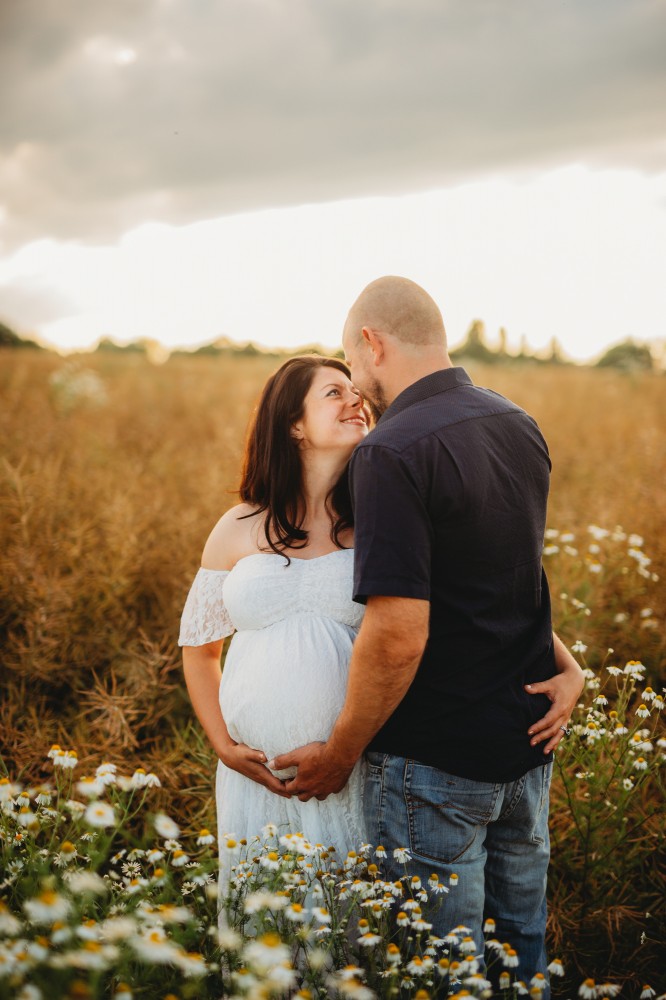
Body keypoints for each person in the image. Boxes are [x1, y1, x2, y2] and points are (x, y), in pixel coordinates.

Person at [269, 277, 585, 989]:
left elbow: (398, 631)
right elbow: (505, 576)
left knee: (441, 974)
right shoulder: (517, 422)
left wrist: (341, 753)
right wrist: (570, 666)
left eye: (352, 365)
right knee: (520, 956)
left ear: (372, 345)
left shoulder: (393, 450)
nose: (355, 385)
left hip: (436, 765)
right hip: (526, 752)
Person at [178, 355, 370, 888]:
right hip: (255, 778)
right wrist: (225, 747)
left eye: (359, 392)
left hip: (352, 768)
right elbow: (199, 650)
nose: (357, 400)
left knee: (353, 927)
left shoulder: (379, 522)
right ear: (293, 424)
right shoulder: (238, 525)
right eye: (335, 393)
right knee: (265, 927)